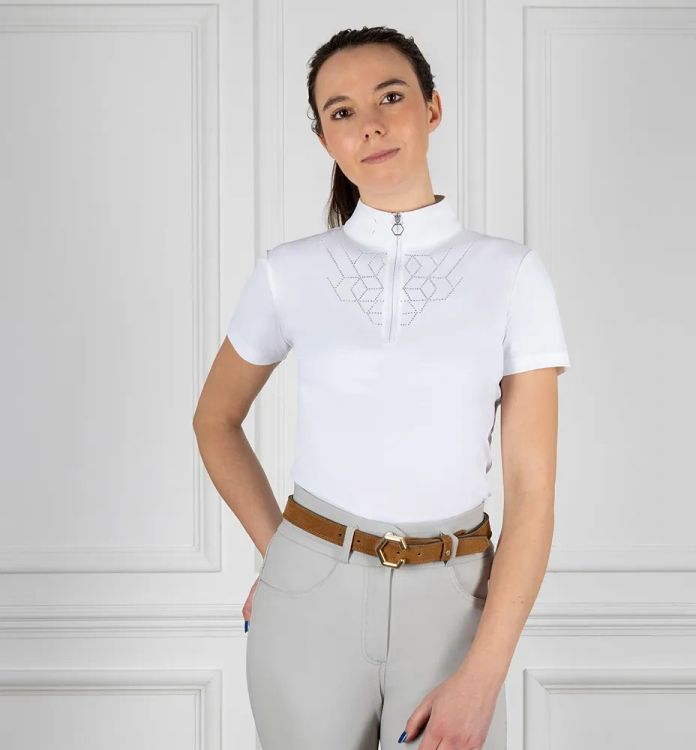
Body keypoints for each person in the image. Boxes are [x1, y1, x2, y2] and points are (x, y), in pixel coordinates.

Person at [193, 25, 570, 750]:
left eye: (390, 97)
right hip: (306, 598)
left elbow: (532, 491)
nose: (369, 123)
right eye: (341, 111)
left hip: (455, 604)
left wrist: (484, 676)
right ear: (325, 139)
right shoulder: (287, 272)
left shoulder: (513, 276)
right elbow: (215, 419)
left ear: (432, 108)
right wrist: (283, 559)